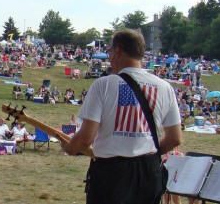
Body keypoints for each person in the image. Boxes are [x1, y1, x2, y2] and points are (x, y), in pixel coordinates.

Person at [59, 29, 182, 204]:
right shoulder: (165, 87)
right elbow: (175, 138)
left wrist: (70, 148)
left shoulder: (104, 85)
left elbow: (86, 138)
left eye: (110, 51)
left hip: (111, 175)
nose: (109, 57)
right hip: (148, 173)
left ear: (118, 50)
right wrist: (147, 155)